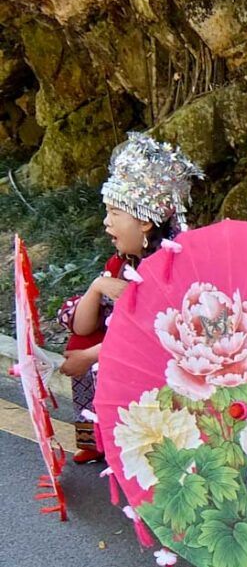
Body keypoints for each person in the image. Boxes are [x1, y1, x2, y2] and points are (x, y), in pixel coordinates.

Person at [58, 133, 202, 463]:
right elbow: (82, 327)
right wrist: (97, 286)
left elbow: (153, 336)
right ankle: (98, 438)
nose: (106, 223)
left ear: (145, 222)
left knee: (91, 355)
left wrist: (91, 357)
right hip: (129, 351)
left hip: (170, 360)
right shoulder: (121, 265)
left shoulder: (173, 267)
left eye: (113, 213)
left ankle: (133, 442)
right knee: (84, 339)